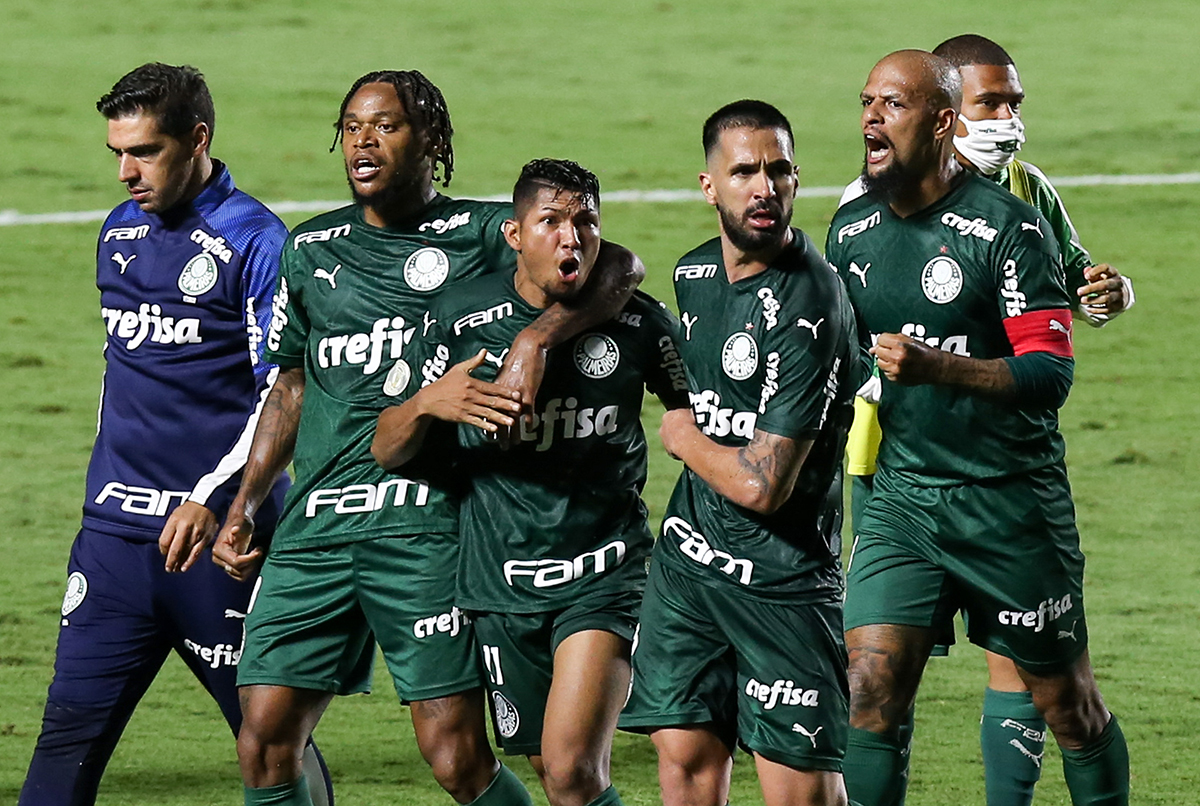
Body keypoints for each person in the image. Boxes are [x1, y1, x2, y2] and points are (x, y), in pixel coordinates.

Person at [209, 72, 643, 806]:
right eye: (352, 127)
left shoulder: (483, 233)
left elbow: (619, 265)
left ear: (432, 141)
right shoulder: (310, 247)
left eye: (386, 126)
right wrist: (247, 503)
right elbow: (291, 385)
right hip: (318, 524)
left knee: (454, 755)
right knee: (263, 739)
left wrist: (536, 339)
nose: (364, 141)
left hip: (426, 523)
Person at [19, 63, 331, 806]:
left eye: (145, 152)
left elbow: (284, 393)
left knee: (271, 744)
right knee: (64, 744)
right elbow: (119, 371)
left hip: (220, 545)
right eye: (116, 154)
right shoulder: (118, 231)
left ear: (198, 139)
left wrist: (215, 499)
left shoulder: (255, 241)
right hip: (114, 542)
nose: (126, 173)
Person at [837, 35, 1136, 806]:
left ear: (938, 121)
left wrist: (938, 367)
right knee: (868, 690)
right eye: (867, 103)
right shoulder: (852, 226)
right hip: (902, 496)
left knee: (1067, 705)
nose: (872, 118)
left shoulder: (1015, 221)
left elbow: (1050, 372)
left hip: (1009, 501)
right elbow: (838, 355)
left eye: (892, 104)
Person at [373, 158, 690, 806]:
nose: (571, 237)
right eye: (551, 222)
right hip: (501, 582)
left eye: (586, 222)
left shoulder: (638, 322)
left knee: (573, 769)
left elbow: (704, 415)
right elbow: (386, 447)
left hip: (605, 573)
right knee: (555, 774)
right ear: (515, 235)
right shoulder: (458, 318)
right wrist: (427, 405)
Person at [619, 100, 860, 806]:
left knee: (802, 795)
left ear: (796, 179)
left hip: (783, 581)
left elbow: (763, 485)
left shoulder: (810, 301)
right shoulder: (694, 275)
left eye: (779, 171)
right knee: (685, 767)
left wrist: (681, 437)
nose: (765, 187)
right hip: (689, 570)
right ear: (709, 185)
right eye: (745, 171)